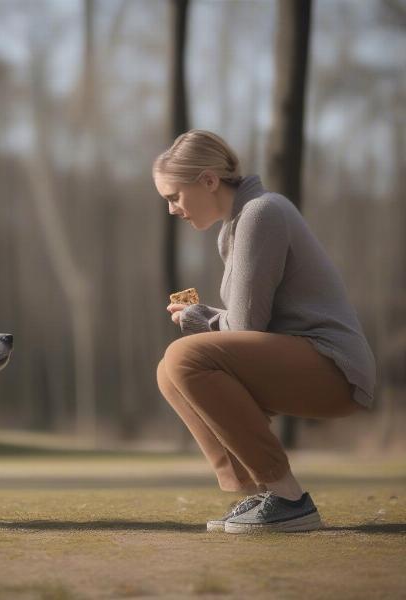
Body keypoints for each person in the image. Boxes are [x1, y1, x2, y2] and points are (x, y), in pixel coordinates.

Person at [153, 129, 376, 533]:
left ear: (207, 181)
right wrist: (204, 316)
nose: (172, 209)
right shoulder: (237, 225)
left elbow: (246, 327)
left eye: (174, 196)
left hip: (335, 367)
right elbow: (253, 322)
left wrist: (198, 320)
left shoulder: (261, 213)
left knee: (184, 358)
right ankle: (265, 492)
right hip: (301, 357)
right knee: (168, 373)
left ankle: (290, 498)